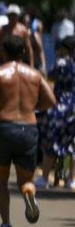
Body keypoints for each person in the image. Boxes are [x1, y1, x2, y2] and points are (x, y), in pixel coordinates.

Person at [0, 36, 56, 227]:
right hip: (28, 130)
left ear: (3, 52)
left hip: (4, 129)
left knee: (1, 181)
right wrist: (32, 107)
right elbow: (51, 100)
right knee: (25, 180)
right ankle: (29, 193)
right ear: (23, 52)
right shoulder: (35, 75)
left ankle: (6, 224)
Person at [35, 37, 75, 189]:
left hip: (59, 107)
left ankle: (45, 178)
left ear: (65, 49)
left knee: (51, 143)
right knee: (72, 145)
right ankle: (72, 179)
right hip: (74, 107)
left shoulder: (61, 63)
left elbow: (49, 77)